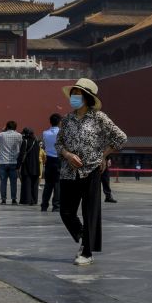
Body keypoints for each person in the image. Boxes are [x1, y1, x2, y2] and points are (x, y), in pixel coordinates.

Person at [56, 78, 127, 266]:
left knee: (90, 212)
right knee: (65, 212)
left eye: (77, 94)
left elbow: (120, 138)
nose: (73, 98)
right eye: (72, 94)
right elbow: (58, 143)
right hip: (68, 171)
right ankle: (83, 237)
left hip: (91, 171)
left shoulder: (99, 118)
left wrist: (103, 155)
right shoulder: (67, 120)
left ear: (87, 98)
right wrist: (67, 154)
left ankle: (87, 252)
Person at [0, 120, 22, 205]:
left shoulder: (2, 135)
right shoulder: (19, 135)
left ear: (6, 127)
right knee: (14, 182)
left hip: (3, 162)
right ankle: (13, 199)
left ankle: (3, 199)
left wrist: (3, 130)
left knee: (3, 182)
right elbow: (21, 144)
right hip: (14, 162)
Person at [40, 113, 61, 212]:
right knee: (57, 184)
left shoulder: (45, 133)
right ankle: (56, 205)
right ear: (60, 122)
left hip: (49, 159)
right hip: (59, 159)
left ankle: (44, 205)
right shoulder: (62, 132)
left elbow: (44, 145)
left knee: (48, 184)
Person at [18, 127, 41, 205]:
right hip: (36, 166)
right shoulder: (36, 141)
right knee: (34, 185)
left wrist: (18, 165)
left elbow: (21, 154)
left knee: (26, 184)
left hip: (27, 165)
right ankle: (34, 200)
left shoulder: (25, 141)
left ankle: (27, 200)